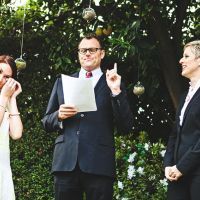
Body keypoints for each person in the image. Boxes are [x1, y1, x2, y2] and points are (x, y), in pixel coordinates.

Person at [42, 33, 133, 200]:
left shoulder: (113, 82)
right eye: (82, 50)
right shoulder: (62, 82)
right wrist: (58, 116)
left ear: (102, 53)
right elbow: (46, 122)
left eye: (92, 49)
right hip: (65, 163)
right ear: (78, 54)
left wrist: (116, 91)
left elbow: (126, 125)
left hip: (99, 163)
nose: (87, 54)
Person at [164, 40, 200, 200]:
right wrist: (168, 165)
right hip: (177, 176)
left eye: (186, 56)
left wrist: (181, 167)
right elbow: (175, 134)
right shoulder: (185, 95)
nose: (181, 60)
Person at [0, 55, 23, 200]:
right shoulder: (3, 97)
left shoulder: (6, 98)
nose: (1, 78)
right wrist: (3, 97)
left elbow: (16, 134)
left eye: (7, 76)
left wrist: (12, 99)